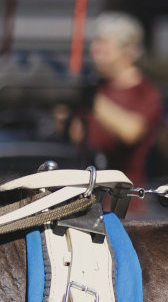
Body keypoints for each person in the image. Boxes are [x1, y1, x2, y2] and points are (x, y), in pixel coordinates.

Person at [64, 12, 162, 184]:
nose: (95, 53)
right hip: (89, 188)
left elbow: (131, 132)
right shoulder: (97, 86)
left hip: (127, 197)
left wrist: (93, 100)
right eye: (95, 46)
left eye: (103, 47)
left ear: (129, 51)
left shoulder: (146, 92)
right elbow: (78, 136)